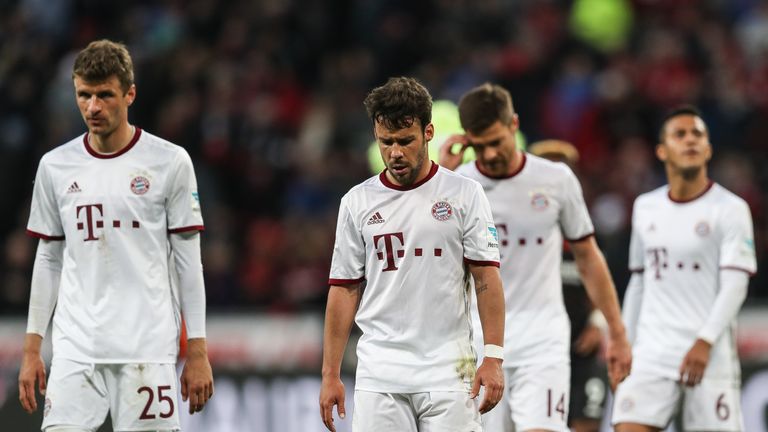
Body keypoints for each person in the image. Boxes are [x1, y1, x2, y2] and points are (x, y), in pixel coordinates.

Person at [18, 39, 213, 432]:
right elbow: (48, 258)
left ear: (130, 94)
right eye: (84, 95)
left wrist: (198, 350)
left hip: (146, 348)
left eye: (105, 95)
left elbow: (189, 262)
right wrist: (32, 347)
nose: (93, 107)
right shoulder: (55, 167)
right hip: (76, 350)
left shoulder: (169, 162)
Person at [439, 82, 631, 432]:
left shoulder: (555, 180)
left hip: (542, 340)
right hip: (476, 346)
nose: (491, 154)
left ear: (514, 124)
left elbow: (589, 259)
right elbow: (430, 262)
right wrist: (440, 179)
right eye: (480, 147)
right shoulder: (458, 186)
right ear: (467, 139)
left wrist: (616, 332)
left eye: (496, 142)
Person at [319, 77, 506, 432]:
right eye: (385, 141)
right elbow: (344, 290)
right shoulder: (357, 202)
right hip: (381, 374)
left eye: (405, 141)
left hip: (449, 372)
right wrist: (330, 374)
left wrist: (493, 357)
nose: (395, 152)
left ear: (428, 132)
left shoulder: (465, 194)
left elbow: (486, 278)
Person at [612, 106, 756, 432]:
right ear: (662, 151)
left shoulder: (731, 209)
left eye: (698, 134)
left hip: (709, 354)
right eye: (680, 134)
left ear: (708, 149)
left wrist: (704, 341)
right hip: (651, 351)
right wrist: (625, 343)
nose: (690, 140)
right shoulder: (645, 207)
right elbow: (639, 281)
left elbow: (735, 285)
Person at [528, 140, 610, 432]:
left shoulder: (587, 230)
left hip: (581, 350)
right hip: (535, 348)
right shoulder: (519, 228)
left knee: (586, 422)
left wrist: (599, 322)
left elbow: (601, 281)